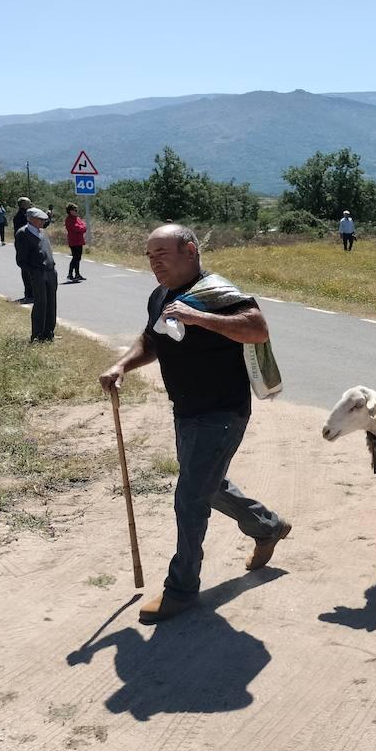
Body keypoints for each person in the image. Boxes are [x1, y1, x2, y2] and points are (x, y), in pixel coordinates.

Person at [99, 224, 291, 624]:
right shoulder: (161, 296)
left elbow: (257, 328)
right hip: (186, 410)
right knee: (207, 485)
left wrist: (199, 317)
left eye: (162, 254)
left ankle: (182, 589)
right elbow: (151, 341)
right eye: (149, 256)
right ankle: (267, 526)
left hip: (222, 413)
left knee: (190, 498)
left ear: (190, 250)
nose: (154, 263)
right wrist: (122, 365)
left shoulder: (217, 293)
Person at [17, 207, 58, 342]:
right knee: (41, 303)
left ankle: (49, 333)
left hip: (51, 271)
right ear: (32, 219)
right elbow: (21, 260)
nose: (42, 222)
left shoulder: (42, 232)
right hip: (38, 273)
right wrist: (33, 272)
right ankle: (37, 335)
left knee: (51, 303)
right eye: (40, 219)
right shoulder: (23, 233)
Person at [12, 198, 32, 301]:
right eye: (29, 203)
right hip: (23, 245)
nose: (31, 204)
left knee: (31, 268)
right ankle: (28, 292)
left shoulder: (27, 215)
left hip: (29, 244)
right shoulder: (20, 216)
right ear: (23, 204)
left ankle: (32, 291)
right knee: (26, 268)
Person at [64, 203, 87, 283]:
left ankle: (77, 274)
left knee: (78, 258)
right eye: (75, 210)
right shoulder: (69, 219)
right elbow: (76, 228)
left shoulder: (77, 218)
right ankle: (70, 274)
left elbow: (84, 226)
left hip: (79, 240)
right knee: (75, 258)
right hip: (73, 241)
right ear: (70, 211)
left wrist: (82, 227)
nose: (77, 211)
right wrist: (82, 228)